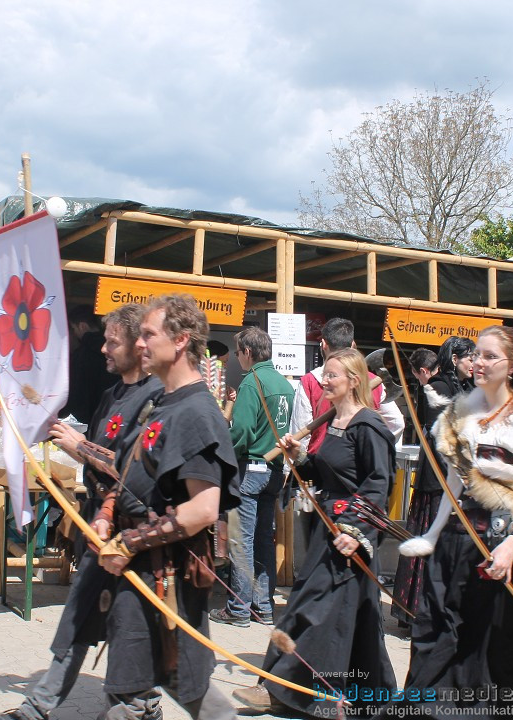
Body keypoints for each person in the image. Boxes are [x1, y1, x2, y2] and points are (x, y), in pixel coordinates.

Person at [0, 303, 164, 720]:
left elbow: (138, 470)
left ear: (139, 345)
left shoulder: (158, 400)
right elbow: (100, 459)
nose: (103, 349)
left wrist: (79, 448)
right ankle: (39, 708)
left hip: (135, 536)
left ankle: (141, 704)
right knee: (78, 619)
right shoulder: (112, 395)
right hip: (98, 527)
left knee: (130, 625)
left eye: (112, 342)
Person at [391, 325, 513, 719]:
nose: (479, 362)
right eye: (477, 354)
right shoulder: (462, 411)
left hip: (505, 549)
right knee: (437, 639)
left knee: (497, 656)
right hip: (455, 546)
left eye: (491, 356)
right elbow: (454, 483)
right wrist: (433, 534)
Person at [96, 294, 240, 720]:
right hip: (141, 568)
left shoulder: (197, 412)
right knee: (149, 683)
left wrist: (130, 542)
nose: (139, 343)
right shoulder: (162, 403)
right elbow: (129, 472)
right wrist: (108, 513)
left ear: (180, 340)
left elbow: (203, 509)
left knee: (181, 681)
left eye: (148, 334)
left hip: (167, 575)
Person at [233, 349, 397, 717]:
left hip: (349, 535)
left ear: (354, 380)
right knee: (337, 614)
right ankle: (361, 694)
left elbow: (378, 487)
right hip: (328, 527)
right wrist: (300, 459)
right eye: (325, 375)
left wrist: (355, 530)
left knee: (316, 611)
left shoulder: (369, 427)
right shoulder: (337, 421)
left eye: (333, 375)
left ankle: (283, 689)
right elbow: (327, 477)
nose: (324, 381)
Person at [210, 326, 293, 627]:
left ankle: (239, 608)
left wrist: (221, 452)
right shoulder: (284, 383)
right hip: (274, 470)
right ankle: (264, 607)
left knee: (240, 540)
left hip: (249, 469)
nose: (237, 357)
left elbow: (242, 432)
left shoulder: (251, 383)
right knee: (263, 540)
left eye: (238, 352)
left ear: (247, 352)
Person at [289, 317, 403, 455]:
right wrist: (376, 447)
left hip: (319, 466)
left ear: (323, 344)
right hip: (358, 465)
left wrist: (291, 467)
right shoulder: (371, 381)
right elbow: (397, 423)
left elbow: (300, 433)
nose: (326, 381)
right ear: (353, 344)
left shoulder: (310, 382)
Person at [392, 347, 442, 623]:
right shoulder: (455, 388)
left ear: (422, 372)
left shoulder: (431, 391)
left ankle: (412, 610)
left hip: (431, 480)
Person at [61, 305, 115, 424]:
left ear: (82, 326)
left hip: (83, 421)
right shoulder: (114, 355)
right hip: (109, 417)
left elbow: (77, 395)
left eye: (74, 329)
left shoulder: (82, 354)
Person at [427, 336, 475, 402]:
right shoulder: (438, 387)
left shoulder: (469, 387)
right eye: (470, 360)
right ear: (454, 359)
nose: (473, 365)